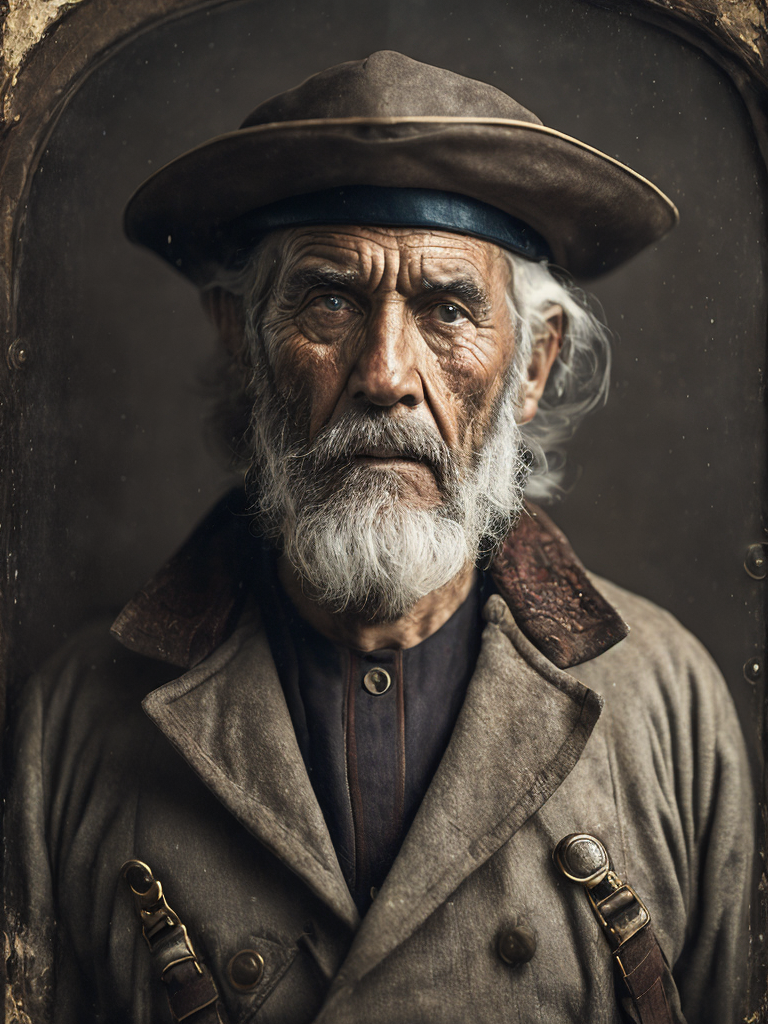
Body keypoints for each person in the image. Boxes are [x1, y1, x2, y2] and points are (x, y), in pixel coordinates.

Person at [4, 50, 752, 1024]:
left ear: (532, 367)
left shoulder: (671, 706)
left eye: (447, 309)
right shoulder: (70, 724)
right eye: (330, 300)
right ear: (243, 344)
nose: (387, 373)